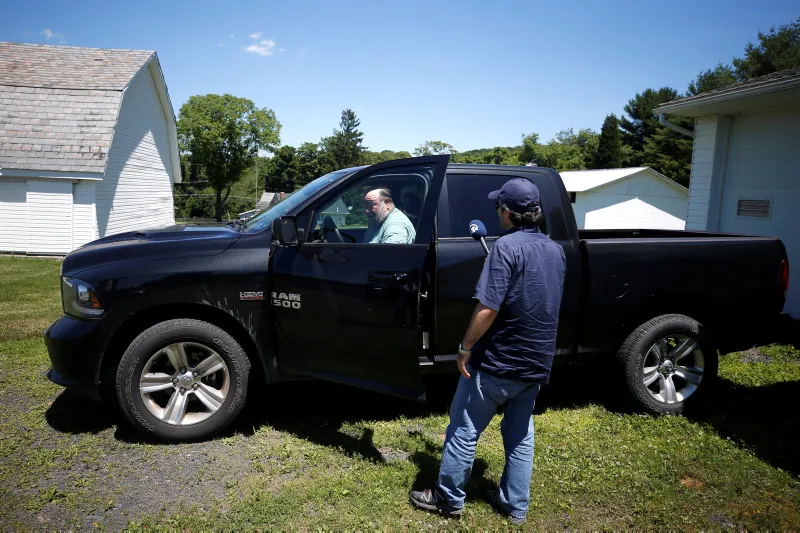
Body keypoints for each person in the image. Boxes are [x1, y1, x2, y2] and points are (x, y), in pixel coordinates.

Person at [409, 178, 566, 525]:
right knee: (520, 436)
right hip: (536, 364)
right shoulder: (556, 250)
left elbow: (488, 308)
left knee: (463, 430)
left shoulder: (504, 248)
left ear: (507, 213)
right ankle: (515, 506)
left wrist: (465, 348)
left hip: (497, 363)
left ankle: (448, 498)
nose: (497, 212)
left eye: (499, 207)